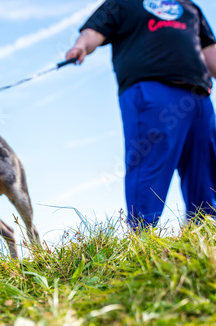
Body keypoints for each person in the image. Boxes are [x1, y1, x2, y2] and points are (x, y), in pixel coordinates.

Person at [66, 0, 216, 230]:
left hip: (198, 97)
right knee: (149, 163)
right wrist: (81, 46)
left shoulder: (191, 8)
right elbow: (93, 32)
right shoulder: (122, 3)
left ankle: (205, 233)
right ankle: (143, 236)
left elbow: (209, 50)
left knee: (205, 168)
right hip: (150, 91)